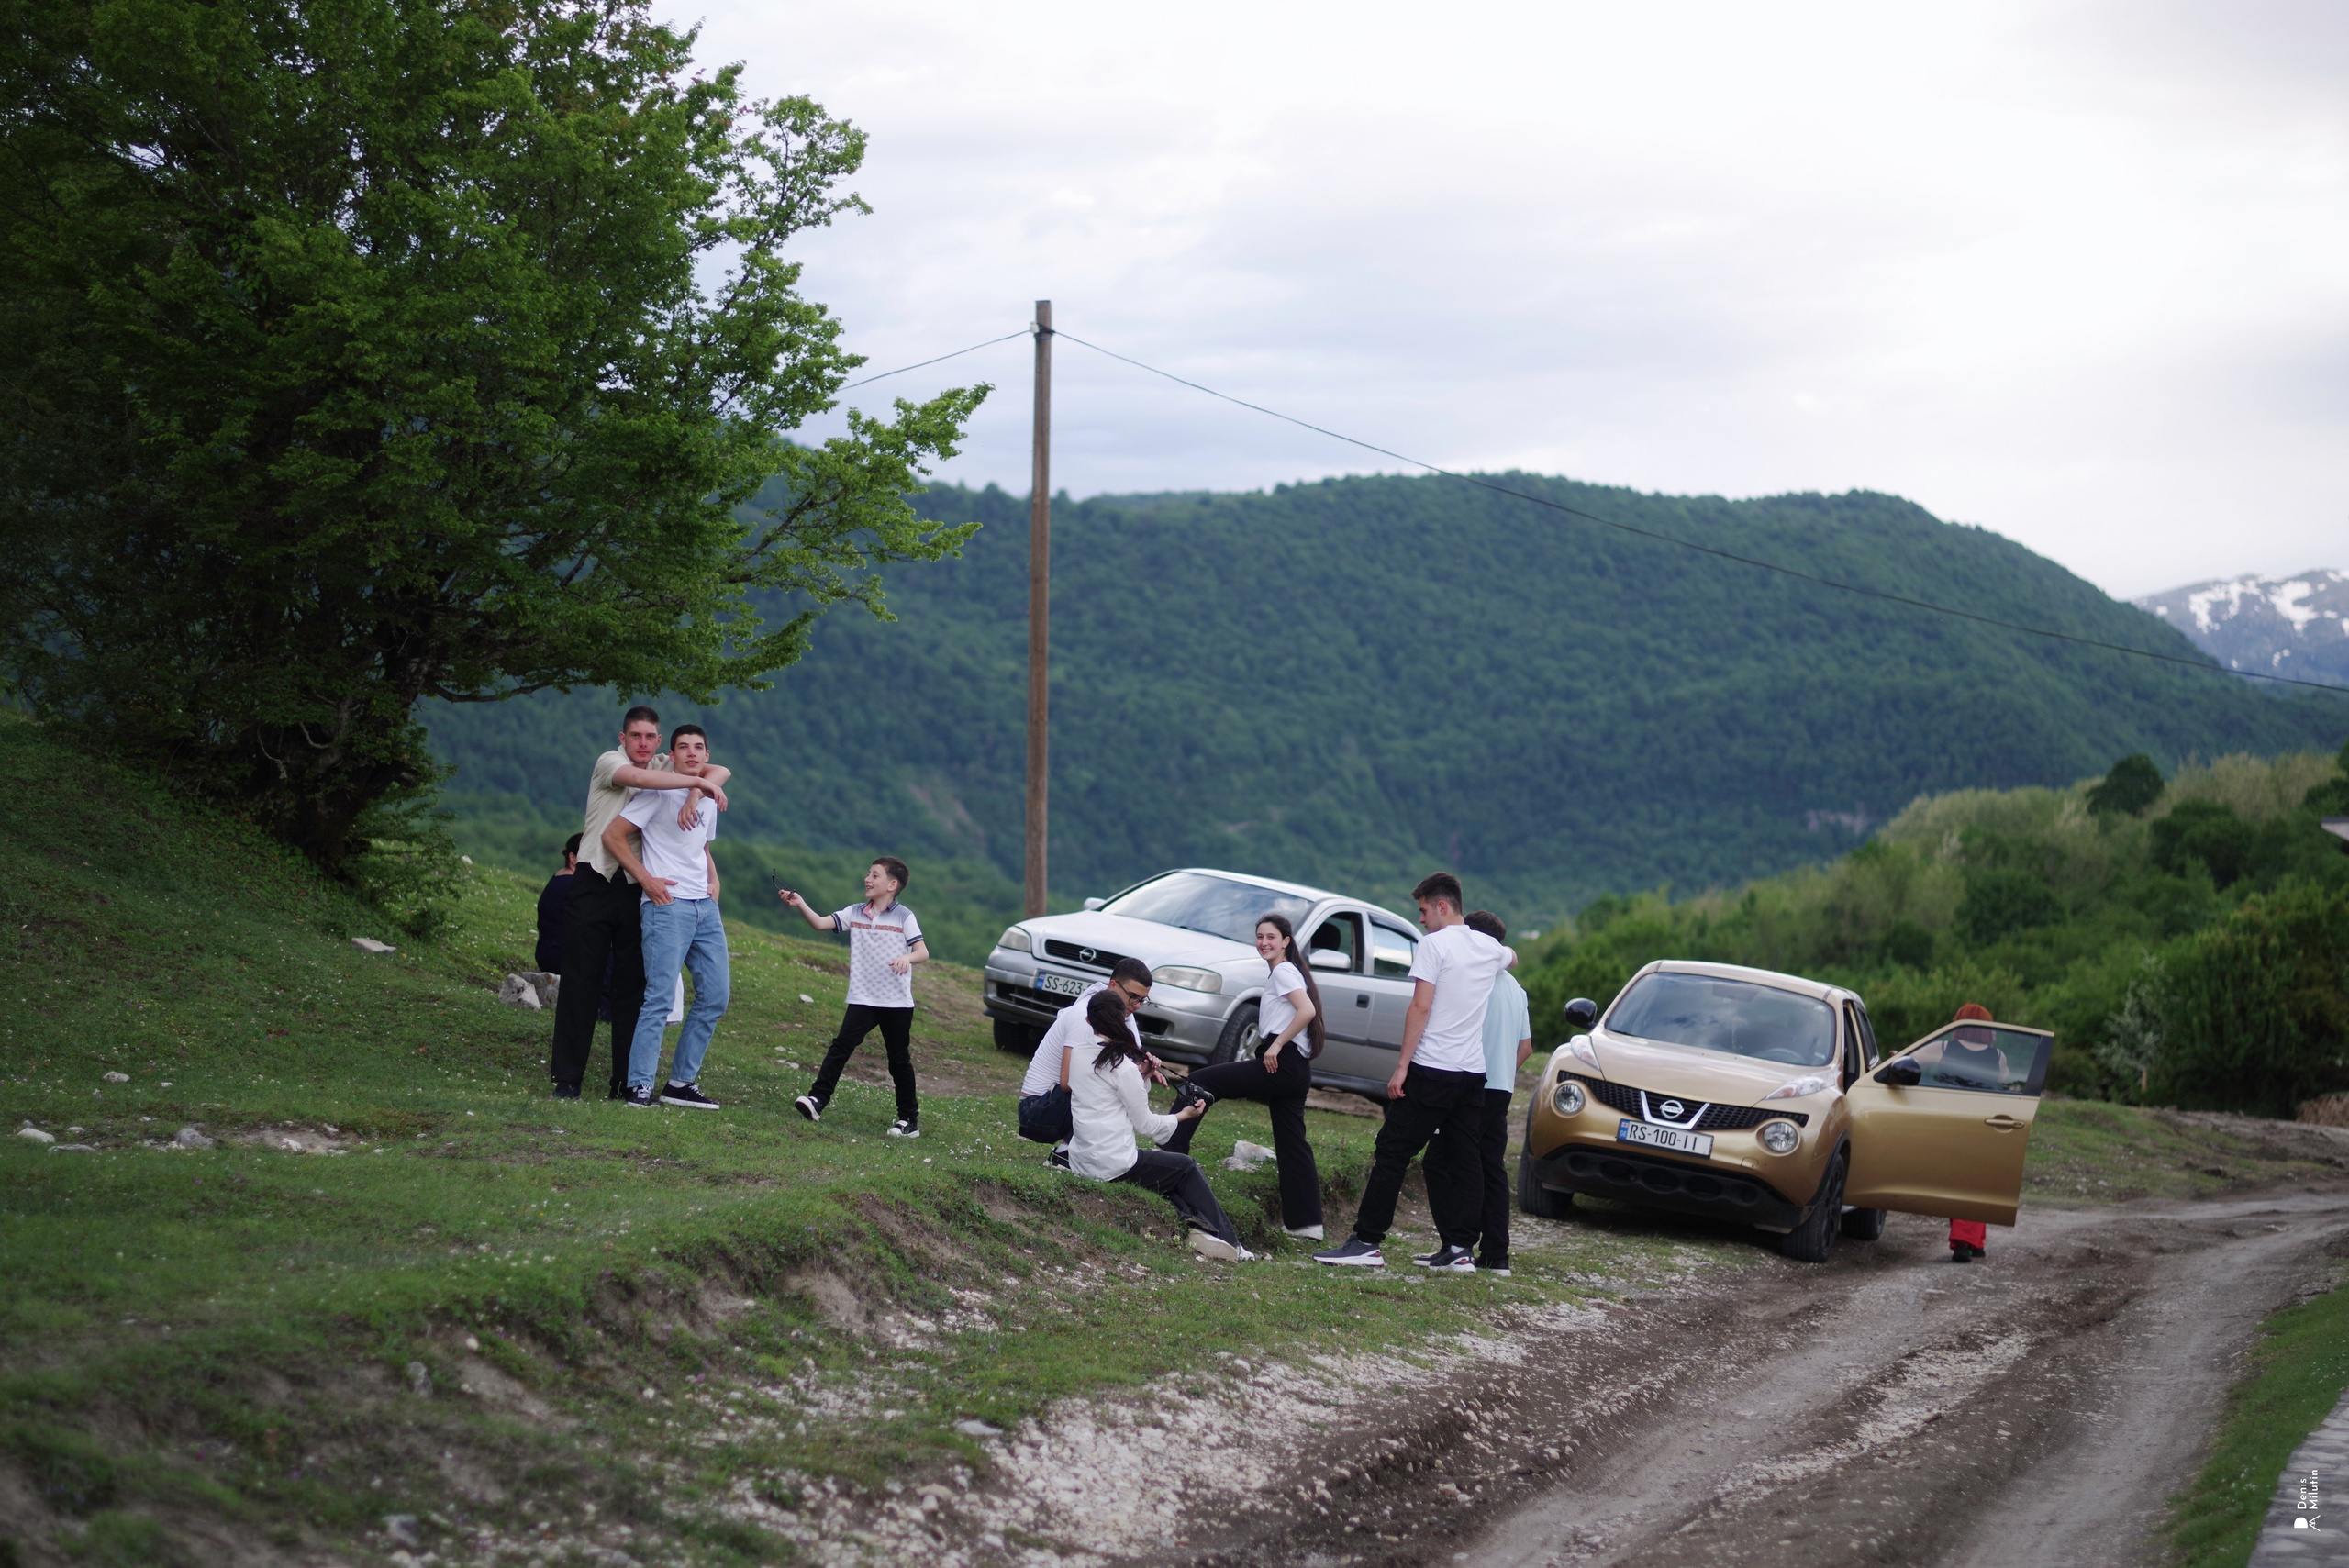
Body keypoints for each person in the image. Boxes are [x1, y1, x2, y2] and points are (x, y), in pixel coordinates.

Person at [1316, 873, 1514, 1271]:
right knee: (1467, 1159)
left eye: (1423, 910)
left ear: (1442, 906)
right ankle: (1461, 1249)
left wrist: (1402, 1067)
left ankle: (1367, 1242)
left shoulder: (1433, 945)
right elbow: (1512, 958)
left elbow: (1420, 1007)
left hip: (1433, 1068)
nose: (1421, 919)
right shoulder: (1489, 947)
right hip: (1472, 1074)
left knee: (1392, 1151)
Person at [548, 706, 729, 1100]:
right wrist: (695, 785)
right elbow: (641, 778)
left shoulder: (670, 762)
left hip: (638, 887)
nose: (643, 744)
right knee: (582, 979)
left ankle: (625, 1081)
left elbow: (718, 771)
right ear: (623, 738)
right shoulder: (610, 762)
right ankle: (567, 1079)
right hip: (596, 878)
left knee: (634, 985)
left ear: (659, 741)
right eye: (636, 737)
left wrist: (697, 791)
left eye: (650, 737)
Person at [1160, 913, 1326, 1240]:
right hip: (1296, 1069)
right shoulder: (1285, 971)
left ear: (1286, 942)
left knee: (1201, 1083)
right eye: (1260, 936)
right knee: (1293, 1143)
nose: (1264, 942)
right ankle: (1307, 1224)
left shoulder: (1283, 972)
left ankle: (1168, 1154)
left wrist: (1276, 1045)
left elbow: (1307, 1011)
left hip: (1282, 1062)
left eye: (1271, 937)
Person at [1065, 990, 1250, 1262]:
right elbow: (1147, 1125)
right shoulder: (1121, 1066)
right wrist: (1184, 1115)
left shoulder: (1079, 1054)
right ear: (1123, 1022)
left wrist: (1143, 1075)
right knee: (1185, 1167)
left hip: (1081, 1160)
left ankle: (1197, 1226)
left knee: (1167, 1174)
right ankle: (1233, 1243)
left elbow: (1106, 1092)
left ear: (1089, 1021)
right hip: (1113, 1165)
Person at [600, 724, 729, 1109]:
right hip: (666, 905)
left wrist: (713, 878)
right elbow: (612, 835)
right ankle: (639, 1086)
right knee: (658, 998)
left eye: (699, 748)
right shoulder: (657, 794)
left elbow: (701, 845)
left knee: (716, 996)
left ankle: (680, 1084)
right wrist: (646, 880)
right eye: (683, 747)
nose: (692, 753)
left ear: (707, 755)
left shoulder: (708, 796)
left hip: (704, 907)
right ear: (670, 755)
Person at [782, 858, 930, 1137]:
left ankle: (909, 1121)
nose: (867, 879)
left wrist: (906, 957)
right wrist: (801, 904)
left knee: (898, 1061)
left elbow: (922, 952)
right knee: (841, 1047)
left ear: (892, 884)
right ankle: (817, 1100)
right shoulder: (855, 912)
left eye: (875, 875)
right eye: (868, 873)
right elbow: (821, 924)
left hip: (896, 1003)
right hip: (863, 998)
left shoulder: (904, 917)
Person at [1018, 958, 1159, 1158]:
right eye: (1133, 997)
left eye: (1142, 1000)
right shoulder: (1085, 1015)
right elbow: (1067, 1083)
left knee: (1121, 1085)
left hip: (1057, 1104)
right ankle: (1066, 1153)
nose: (1136, 1006)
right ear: (1113, 985)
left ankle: (1088, 1153)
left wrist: (1147, 1070)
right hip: (1036, 1109)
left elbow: (1131, 1061)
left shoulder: (1122, 1012)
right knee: (1111, 1088)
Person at [1464, 910, 1532, 1275]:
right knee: (1492, 1169)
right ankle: (1496, 1254)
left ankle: (1458, 1246)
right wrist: (1505, 1069)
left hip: (1473, 1082)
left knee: (1461, 1164)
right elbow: (1526, 1046)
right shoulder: (1516, 988)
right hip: (1502, 1087)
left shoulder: (1476, 979)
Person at [1942, 1002, 1999, 1263]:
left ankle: (1963, 1243)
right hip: (1984, 1122)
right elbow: (2010, 1083)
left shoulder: (1945, 1047)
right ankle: (1976, 1242)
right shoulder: (1998, 1056)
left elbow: (1915, 1060)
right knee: (1978, 1182)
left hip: (1954, 1122)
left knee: (1957, 1181)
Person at [533, 834, 580, 975]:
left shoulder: (558, 878)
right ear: (573, 858)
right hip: (562, 957)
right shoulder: (573, 885)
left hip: (546, 953)